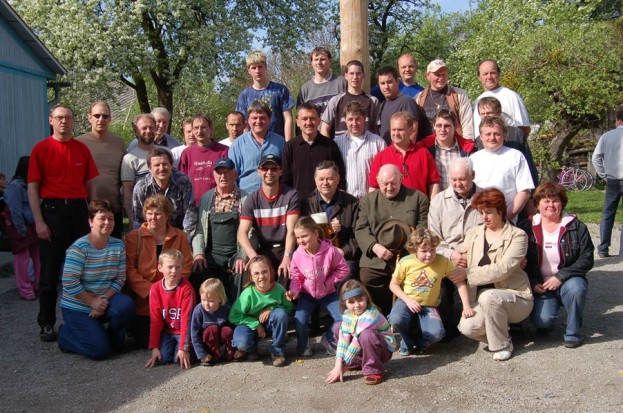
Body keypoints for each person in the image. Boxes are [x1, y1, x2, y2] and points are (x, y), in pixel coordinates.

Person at [28, 104, 99, 342]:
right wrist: (39, 222)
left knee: (85, 269)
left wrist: (93, 216)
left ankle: (87, 318)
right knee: (50, 272)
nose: (64, 121)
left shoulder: (82, 149)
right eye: (59, 117)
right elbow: (33, 188)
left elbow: (90, 186)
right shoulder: (41, 149)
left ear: (73, 121)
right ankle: (47, 323)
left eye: (68, 117)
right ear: (51, 120)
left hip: (79, 211)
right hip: (52, 212)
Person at [457, 188, 533, 361]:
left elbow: (503, 269)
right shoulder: (473, 233)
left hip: (516, 296)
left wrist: (467, 273)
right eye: (481, 212)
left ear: (501, 210)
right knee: (467, 327)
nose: (484, 217)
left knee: (488, 296)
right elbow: (462, 256)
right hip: (481, 298)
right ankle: (503, 336)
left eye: (489, 212)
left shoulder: (518, 235)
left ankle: (502, 345)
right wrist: (457, 258)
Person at [57, 200, 136, 360]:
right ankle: (65, 335)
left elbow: (120, 278)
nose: (107, 222)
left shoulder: (118, 246)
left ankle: (111, 340)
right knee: (98, 352)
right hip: (77, 306)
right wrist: (92, 302)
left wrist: (103, 300)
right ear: (91, 222)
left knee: (127, 305)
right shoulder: (79, 248)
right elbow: (69, 282)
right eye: (102, 218)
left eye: (111, 218)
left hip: (103, 300)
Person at [520, 183, 594, 348]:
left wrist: (560, 277)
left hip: (568, 280)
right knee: (543, 321)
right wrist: (533, 282)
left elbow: (587, 258)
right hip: (541, 285)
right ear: (537, 204)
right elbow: (520, 261)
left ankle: (573, 333)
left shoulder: (576, 227)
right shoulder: (526, 227)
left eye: (555, 200)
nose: (551, 205)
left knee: (576, 288)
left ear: (562, 203)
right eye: (546, 201)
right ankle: (550, 309)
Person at [355, 164, 429, 315]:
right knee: (367, 277)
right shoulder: (367, 201)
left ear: (401, 179)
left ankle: (406, 316)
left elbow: (423, 228)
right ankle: (380, 314)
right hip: (376, 256)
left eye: (393, 183)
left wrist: (410, 247)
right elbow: (361, 228)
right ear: (377, 181)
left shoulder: (418, 198)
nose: (389, 188)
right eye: (385, 184)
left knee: (412, 279)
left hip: (407, 254)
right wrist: (374, 246)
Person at [388, 228, 473, 355]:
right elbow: (393, 285)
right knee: (396, 319)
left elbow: (459, 281)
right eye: (424, 251)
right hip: (406, 301)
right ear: (414, 249)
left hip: (429, 305)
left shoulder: (442, 261)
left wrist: (466, 306)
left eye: (432, 250)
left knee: (437, 334)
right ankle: (407, 342)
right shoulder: (406, 262)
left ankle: (421, 342)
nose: (429, 254)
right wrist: (408, 300)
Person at [125, 195, 193, 348]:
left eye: (158, 214)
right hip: (145, 301)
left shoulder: (180, 236)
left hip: (173, 299)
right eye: (149, 213)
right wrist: (153, 291)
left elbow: (187, 265)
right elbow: (129, 269)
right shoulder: (133, 237)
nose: (153, 217)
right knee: (146, 341)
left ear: (167, 215)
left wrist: (169, 289)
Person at [286, 216, 350, 356]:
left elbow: (343, 269)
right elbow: (296, 277)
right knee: (299, 319)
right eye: (298, 237)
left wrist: (329, 282)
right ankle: (304, 345)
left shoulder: (330, 251)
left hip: (328, 293)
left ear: (315, 234)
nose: (301, 240)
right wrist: (294, 291)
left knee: (343, 318)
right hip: (307, 294)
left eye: (304, 236)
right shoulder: (297, 255)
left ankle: (329, 338)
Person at [192, 157, 249, 302]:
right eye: (219, 173)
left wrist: (242, 256)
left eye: (227, 172)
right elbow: (199, 231)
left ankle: (237, 312)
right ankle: (203, 311)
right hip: (212, 255)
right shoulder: (206, 198)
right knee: (197, 270)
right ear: (214, 175)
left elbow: (251, 232)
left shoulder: (245, 198)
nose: (223, 176)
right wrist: (198, 254)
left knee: (242, 273)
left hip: (235, 254)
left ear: (235, 174)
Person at [237, 154, 299, 284]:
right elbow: (242, 232)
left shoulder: (291, 195)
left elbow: (292, 230)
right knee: (247, 275)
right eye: (265, 168)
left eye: (274, 169)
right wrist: (253, 257)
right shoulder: (252, 199)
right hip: (263, 249)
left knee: (287, 271)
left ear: (280, 172)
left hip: (285, 247)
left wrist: (288, 257)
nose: (269, 172)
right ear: (259, 172)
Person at [325, 280, 396, 386]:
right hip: (361, 346)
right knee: (337, 327)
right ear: (345, 303)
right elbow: (343, 339)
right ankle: (358, 362)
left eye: (360, 300)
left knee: (366, 335)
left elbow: (356, 341)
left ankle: (373, 370)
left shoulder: (371, 315)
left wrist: (344, 363)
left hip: (382, 350)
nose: (357, 305)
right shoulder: (347, 314)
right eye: (351, 302)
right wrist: (338, 364)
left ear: (366, 298)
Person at [229, 255, 293, 367]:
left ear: (271, 271)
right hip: (249, 325)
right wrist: (256, 324)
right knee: (241, 343)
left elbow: (289, 308)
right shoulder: (248, 294)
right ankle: (251, 348)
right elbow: (233, 316)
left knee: (281, 314)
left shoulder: (279, 289)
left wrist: (271, 308)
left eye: (264, 272)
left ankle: (277, 350)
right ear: (251, 277)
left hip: (269, 324)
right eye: (256, 273)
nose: (261, 276)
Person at [300, 161, 361, 276]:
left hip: (343, 256)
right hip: (315, 256)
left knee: (346, 273)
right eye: (321, 179)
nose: (325, 183)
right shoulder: (306, 203)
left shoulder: (352, 203)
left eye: (329, 179)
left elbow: (358, 235)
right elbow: (302, 234)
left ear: (337, 180)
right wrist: (327, 230)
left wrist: (344, 251)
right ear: (315, 180)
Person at [76, 101, 127, 238]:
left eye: (105, 116)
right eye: (97, 115)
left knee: (113, 248)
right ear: (89, 117)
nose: (101, 119)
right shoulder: (78, 144)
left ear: (110, 119)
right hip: (86, 209)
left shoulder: (119, 143)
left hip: (113, 209)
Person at [470, 115, 534, 223]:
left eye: (497, 134)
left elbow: (524, 192)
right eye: (488, 134)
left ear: (504, 135)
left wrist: (505, 218)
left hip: (506, 221)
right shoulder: (472, 159)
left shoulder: (516, 156)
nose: (492, 138)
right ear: (481, 137)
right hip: (477, 221)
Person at [369, 112, 440, 198]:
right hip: (390, 206)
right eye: (393, 129)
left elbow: (433, 183)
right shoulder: (381, 157)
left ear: (410, 130)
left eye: (400, 130)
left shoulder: (424, 154)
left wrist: (433, 205)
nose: (396, 133)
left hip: (419, 205)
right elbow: (373, 187)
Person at [144, 249, 196, 369]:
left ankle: (191, 349)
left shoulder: (187, 289)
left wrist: (184, 348)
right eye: (170, 267)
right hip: (168, 331)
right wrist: (154, 347)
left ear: (182, 268)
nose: (174, 271)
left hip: (183, 331)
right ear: (160, 268)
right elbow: (155, 321)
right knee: (162, 358)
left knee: (179, 359)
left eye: (178, 267)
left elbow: (187, 320)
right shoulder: (155, 289)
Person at [281, 102, 346, 197]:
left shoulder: (330, 146)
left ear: (319, 120)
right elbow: (285, 180)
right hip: (298, 202)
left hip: (325, 202)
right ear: (297, 122)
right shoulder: (290, 147)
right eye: (304, 119)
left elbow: (340, 176)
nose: (308, 123)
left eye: (312, 118)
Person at [132, 148, 197, 237]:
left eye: (165, 164)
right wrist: (145, 239)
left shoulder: (183, 182)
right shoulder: (141, 187)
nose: (162, 168)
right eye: (157, 165)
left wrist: (183, 239)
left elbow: (190, 215)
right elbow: (138, 220)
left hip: (179, 231)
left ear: (171, 165)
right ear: (150, 168)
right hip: (151, 233)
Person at [475, 97, 538, 188]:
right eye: (482, 114)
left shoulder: (516, 134)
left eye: (489, 113)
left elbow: (528, 164)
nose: (486, 116)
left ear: (499, 113)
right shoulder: (480, 139)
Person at [2, 156, 40, 300]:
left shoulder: (29, 184)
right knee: (22, 258)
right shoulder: (16, 186)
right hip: (21, 226)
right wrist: (21, 229)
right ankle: (25, 289)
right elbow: (15, 209)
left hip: (32, 224)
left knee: (37, 255)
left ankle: (37, 285)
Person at [235, 50, 295, 141]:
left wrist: (288, 144)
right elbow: (244, 125)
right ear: (249, 70)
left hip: (278, 142)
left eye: (260, 67)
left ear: (266, 67)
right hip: (253, 144)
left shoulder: (280, 90)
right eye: (253, 68)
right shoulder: (244, 96)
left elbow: (288, 119)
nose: (257, 71)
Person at [228, 100, 285, 194]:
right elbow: (232, 176)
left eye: (262, 118)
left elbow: (285, 172)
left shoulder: (280, 142)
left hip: (274, 196)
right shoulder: (237, 144)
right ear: (248, 120)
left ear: (269, 120)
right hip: (246, 196)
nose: (258, 121)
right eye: (254, 118)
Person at [333, 102, 386, 198]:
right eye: (350, 119)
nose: (354, 123)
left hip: (371, 198)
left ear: (364, 118)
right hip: (345, 199)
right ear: (345, 120)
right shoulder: (337, 143)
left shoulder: (378, 142)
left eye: (358, 119)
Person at [416, 59, 474, 140]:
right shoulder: (419, 98)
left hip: (454, 145)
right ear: (428, 75)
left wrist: (467, 145)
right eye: (437, 74)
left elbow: (467, 125)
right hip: (426, 146)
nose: (441, 78)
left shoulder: (459, 95)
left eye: (444, 74)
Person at [592, 108, 623, 258]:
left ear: (618, 120)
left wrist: (603, 174)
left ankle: (603, 248)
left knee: (608, 213)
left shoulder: (606, 136)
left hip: (612, 179)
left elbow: (596, 158)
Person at [417, 109, 475, 191]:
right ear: (433, 126)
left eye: (447, 126)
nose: (442, 129)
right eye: (439, 125)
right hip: (436, 196)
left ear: (455, 127)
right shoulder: (424, 148)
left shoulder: (467, 149)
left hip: (461, 195)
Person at [321, 60, 380, 138]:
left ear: (363, 76)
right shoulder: (335, 101)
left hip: (367, 144)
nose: (355, 77)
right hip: (341, 145)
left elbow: (376, 130)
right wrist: (329, 145)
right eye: (351, 73)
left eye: (358, 73)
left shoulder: (373, 101)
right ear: (346, 76)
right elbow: (324, 129)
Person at [472, 60, 530, 139]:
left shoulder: (511, 96)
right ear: (479, 77)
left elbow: (524, 128)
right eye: (485, 74)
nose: (489, 77)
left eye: (493, 73)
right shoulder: (477, 101)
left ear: (498, 74)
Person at [179, 114, 229, 204]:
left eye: (203, 127)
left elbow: (229, 180)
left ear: (211, 129)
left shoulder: (224, 151)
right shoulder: (187, 154)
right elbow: (181, 182)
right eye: (196, 128)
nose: (199, 131)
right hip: (192, 205)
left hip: (216, 204)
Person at [121, 113, 160, 222]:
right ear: (136, 131)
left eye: (151, 127)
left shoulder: (165, 153)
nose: (148, 131)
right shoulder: (129, 159)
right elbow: (127, 191)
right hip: (143, 216)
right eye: (144, 128)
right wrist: (131, 219)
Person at [190, 278, 234, 365]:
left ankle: (230, 352)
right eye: (203, 300)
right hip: (206, 339)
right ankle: (213, 354)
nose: (206, 304)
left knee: (227, 330)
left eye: (210, 301)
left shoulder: (227, 308)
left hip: (219, 337)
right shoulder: (199, 310)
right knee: (212, 328)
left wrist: (237, 348)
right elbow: (194, 333)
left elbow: (234, 327)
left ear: (220, 299)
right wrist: (201, 354)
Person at [375, 66, 421, 145]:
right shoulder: (383, 104)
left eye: (389, 82)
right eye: (382, 83)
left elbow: (413, 131)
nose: (386, 87)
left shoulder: (407, 101)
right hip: (386, 150)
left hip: (400, 151)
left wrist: (406, 151)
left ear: (397, 81)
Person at [297, 47, 347, 115]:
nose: (319, 62)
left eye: (322, 59)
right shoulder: (305, 89)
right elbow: (300, 117)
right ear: (312, 62)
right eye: (316, 59)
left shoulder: (342, 83)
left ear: (330, 61)